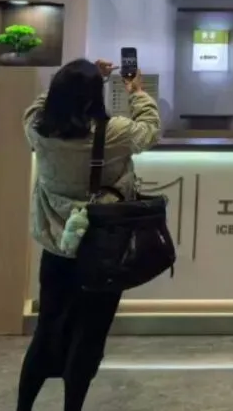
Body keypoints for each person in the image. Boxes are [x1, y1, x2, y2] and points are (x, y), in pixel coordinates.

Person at [17, 58, 160, 411]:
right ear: (94, 96)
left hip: (57, 249)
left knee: (46, 331)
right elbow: (150, 129)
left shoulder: (37, 129)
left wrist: (70, 80)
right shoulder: (114, 133)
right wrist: (136, 91)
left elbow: (38, 105)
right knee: (90, 335)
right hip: (104, 251)